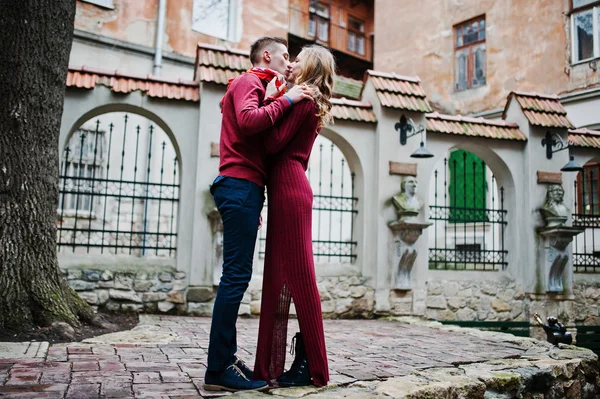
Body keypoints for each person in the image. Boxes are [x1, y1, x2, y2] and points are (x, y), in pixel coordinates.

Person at [204, 37, 313, 393]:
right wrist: (290, 98)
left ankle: (226, 359)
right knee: (236, 277)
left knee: (237, 275)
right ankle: (219, 366)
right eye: (285, 55)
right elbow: (250, 122)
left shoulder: (260, 86)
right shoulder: (248, 80)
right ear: (267, 55)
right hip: (238, 186)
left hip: (245, 190)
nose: (288, 61)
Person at [254, 45, 337, 388]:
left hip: (290, 189)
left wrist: (268, 105)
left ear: (309, 67)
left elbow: (274, 144)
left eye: (297, 59)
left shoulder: (302, 99)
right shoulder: (300, 96)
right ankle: (275, 365)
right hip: (288, 189)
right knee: (279, 278)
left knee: (301, 281)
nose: (291, 62)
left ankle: (312, 367)